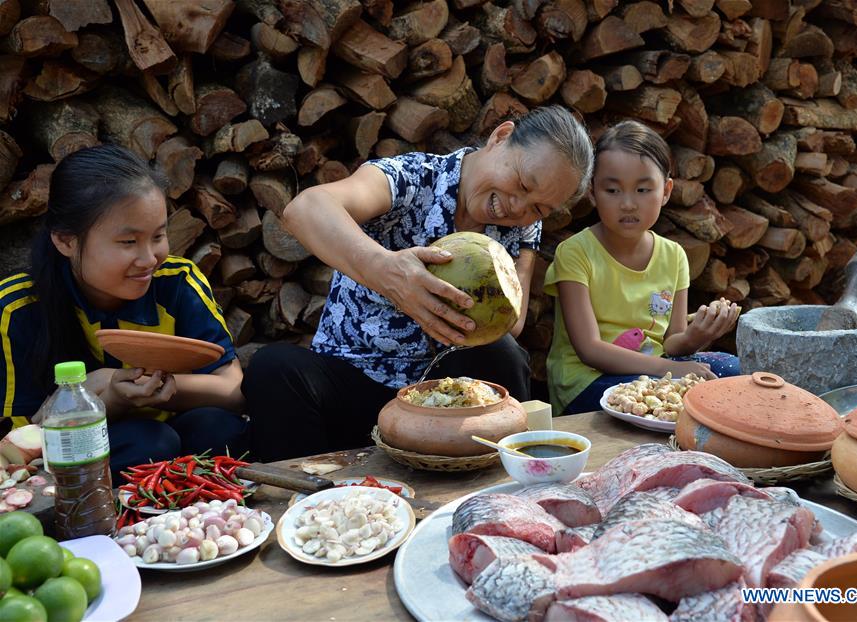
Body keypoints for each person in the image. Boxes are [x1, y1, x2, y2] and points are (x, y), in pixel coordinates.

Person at [243, 105, 594, 461]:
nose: (518, 208)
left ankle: (502, 480)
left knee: (500, 354)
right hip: (353, 384)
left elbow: (512, 323)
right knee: (274, 368)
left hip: (444, 404)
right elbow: (305, 208)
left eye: (539, 209)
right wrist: (386, 271)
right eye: (522, 184)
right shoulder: (412, 178)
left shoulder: (522, 226)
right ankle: (307, 489)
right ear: (501, 137)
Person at [0, 144, 247, 477]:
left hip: (176, 433)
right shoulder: (17, 308)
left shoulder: (178, 282)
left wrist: (114, 380)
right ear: (66, 241)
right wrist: (111, 400)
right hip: (78, 467)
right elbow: (23, 440)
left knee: (218, 427)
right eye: (128, 242)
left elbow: (232, 391)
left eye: (158, 236)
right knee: (149, 442)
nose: (149, 259)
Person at [544, 120, 741, 417]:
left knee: (733, 370)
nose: (628, 204)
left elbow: (672, 341)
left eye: (643, 189)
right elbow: (589, 349)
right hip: (588, 381)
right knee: (676, 400)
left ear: (666, 191)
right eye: (612, 190)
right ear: (592, 192)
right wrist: (670, 369)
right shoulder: (575, 253)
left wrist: (697, 335)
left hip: (655, 372)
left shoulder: (674, 256)